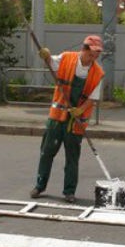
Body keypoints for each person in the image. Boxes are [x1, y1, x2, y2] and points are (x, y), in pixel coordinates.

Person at [30, 35, 105, 203]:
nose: (94, 57)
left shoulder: (98, 73)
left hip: (76, 121)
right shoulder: (66, 58)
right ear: (84, 49)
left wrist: (80, 110)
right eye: (92, 53)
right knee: (47, 152)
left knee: (72, 158)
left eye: (97, 54)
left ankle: (69, 191)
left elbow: (92, 98)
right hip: (57, 117)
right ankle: (40, 186)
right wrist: (46, 55)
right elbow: (50, 61)